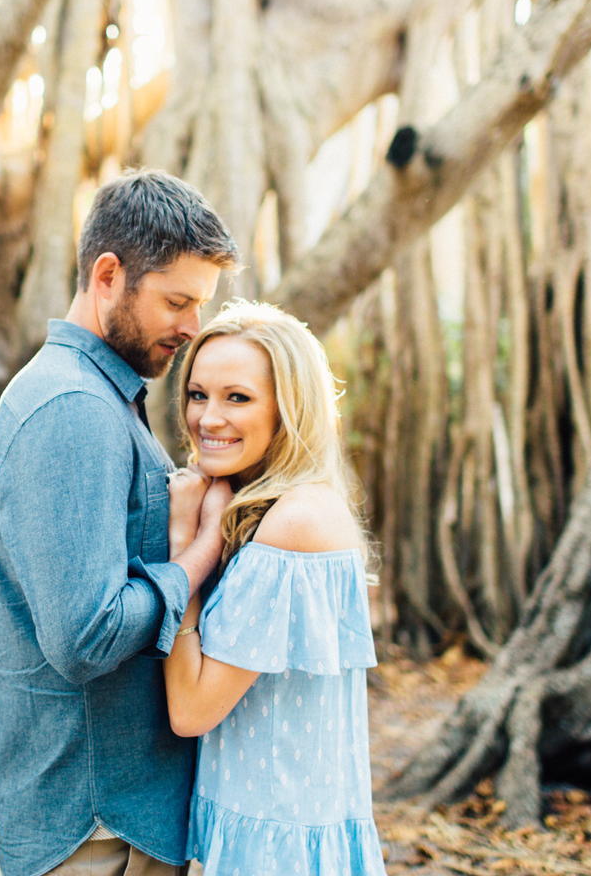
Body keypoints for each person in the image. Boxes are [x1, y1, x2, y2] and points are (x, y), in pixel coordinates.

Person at [0, 169, 240, 876]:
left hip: (113, 814)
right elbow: (86, 635)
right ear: (107, 275)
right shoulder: (72, 408)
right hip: (97, 828)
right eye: (176, 301)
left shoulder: (103, 398)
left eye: (200, 305)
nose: (191, 327)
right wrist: (197, 557)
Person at [163, 302, 386, 876]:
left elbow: (191, 710)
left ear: (289, 409)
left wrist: (186, 548)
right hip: (269, 828)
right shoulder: (289, 508)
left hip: (274, 847)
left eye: (238, 397)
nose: (209, 419)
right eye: (197, 394)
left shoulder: (294, 525)